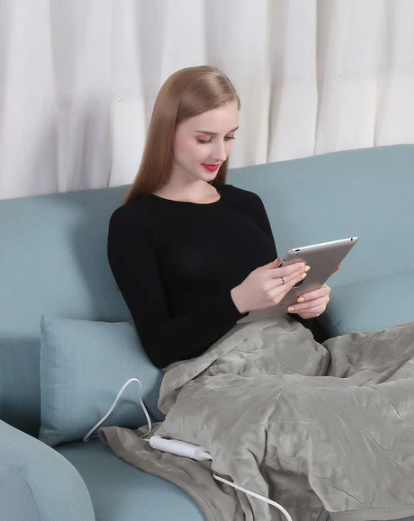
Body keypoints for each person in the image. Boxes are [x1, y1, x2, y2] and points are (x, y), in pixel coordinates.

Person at [106, 65, 330, 368]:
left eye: (229, 137)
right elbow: (160, 347)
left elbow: (278, 321)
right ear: (167, 134)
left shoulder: (247, 203)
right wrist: (238, 301)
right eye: (204, 139)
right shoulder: (133, 224)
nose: (220, 154)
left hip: (293, 356)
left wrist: (305, 307)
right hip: (224, 376)